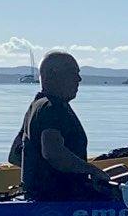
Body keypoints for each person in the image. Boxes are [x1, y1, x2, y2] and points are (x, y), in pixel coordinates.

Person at [14, 50, 121, 200]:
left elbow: (15, 155)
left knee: (121, 170)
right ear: (54, 73)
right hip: (61, 197)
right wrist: (90, 170)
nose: (79, 79)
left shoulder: (37, 105)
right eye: (73, 72)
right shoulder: (52, 107)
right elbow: (52, 153)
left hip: (40, 193)